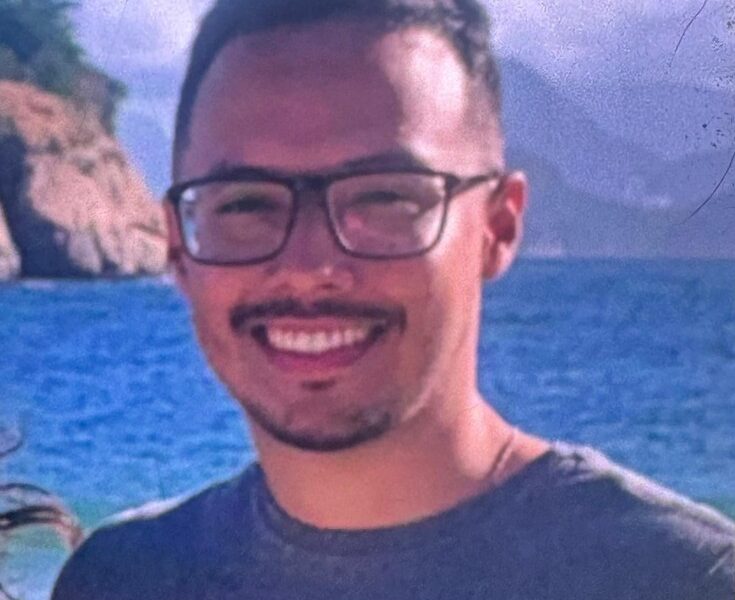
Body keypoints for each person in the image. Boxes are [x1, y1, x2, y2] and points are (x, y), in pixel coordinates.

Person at [52, 1, 735, 598]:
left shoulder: (677, 578)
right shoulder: (123, 578)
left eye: (383, 198)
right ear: (177, 245)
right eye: (246, 204)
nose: (309, 268)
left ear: (497, 227)